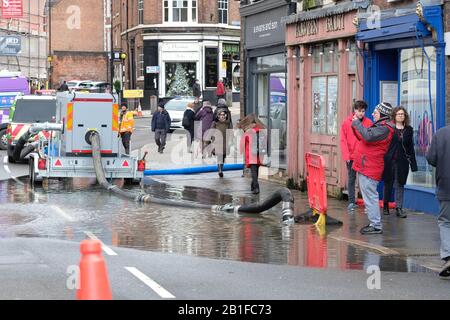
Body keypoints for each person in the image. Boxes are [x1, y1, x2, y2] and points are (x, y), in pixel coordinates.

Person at [352, 102, 395, 235]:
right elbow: (363, 137)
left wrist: (357, 124)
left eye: (375, 112)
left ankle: (376, 225)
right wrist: (356, 125)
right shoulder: (380, 126)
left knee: (370, 197)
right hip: (366, 166)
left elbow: (368, 136)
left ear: (382, 114)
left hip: (370, 167)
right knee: (369, 197)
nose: (372, 114)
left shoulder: (384, 128)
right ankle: (374, 223)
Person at [382, 106, 418, 218]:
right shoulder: (389, 128)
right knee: (388, 183)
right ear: (394, 116)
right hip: (390, 160)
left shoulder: (409, 129)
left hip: (402, 161)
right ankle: (386, 205)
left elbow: (410, 147)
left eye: (402, 114)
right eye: (399, 114)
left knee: (400, 184)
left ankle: (399, 208)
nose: (401, 116)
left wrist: (413, 164)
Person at [340, 100, 373, 212]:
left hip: (364, 156)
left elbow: (371, 138)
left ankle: (367, 203)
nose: (361, 113)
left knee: (365, 181)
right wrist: (346, 156)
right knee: (352, 179)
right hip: (352, 156)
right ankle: (351, 202)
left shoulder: (368, 122)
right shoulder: (346, 122)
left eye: (363, 111)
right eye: (359, 111)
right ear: (354, 110)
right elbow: (343, 140)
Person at [426, 125, 450, 278]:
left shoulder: (440, 134)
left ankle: (448, 256)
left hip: (445, 186)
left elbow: (431, 158)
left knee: (445, 221)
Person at [239, 114, 267, 195]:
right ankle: (253, 185)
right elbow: (265, 141)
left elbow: (242, 144)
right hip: (259, 154)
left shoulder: (248, 132)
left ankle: (256, 187)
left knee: (253, 171)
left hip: (251, 155)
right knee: (256, 170)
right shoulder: (261, 129)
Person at [209, 110, 231, 178]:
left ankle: (221, 169)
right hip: (217, 142)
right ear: (218, 116)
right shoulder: (215, 123)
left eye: (223, 115)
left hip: (225, 142)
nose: (222, 116)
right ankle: (220, 171)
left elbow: (230, 132)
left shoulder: (228, 123)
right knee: (219, 156)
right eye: (221, 115)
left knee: (223, 157)